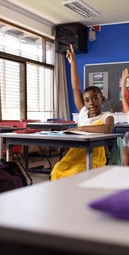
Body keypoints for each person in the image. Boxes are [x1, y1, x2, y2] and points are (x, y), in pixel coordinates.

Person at [50, 45, 114, 180]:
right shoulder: (83, 112)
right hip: (76, 152)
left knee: (78, 171)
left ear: (102, 99)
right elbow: (75, 87)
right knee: (58, 168)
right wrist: (73, 63)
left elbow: (107, 129)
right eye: (87, 100)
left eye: (95, 98)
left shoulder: (106, 116)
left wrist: (80, 128)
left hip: (94, 154)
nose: (91, 102)